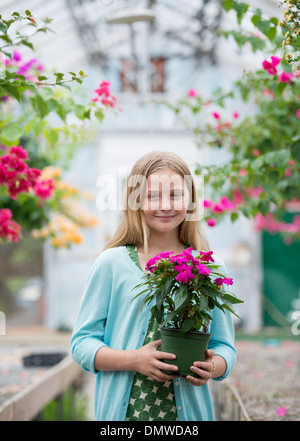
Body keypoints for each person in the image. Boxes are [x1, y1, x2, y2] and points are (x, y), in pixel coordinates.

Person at [71, 151, 236, 421]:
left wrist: (213, 366)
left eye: (174, 195)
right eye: (152, 196)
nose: (165, 205)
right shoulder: (111, 264)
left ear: (191, 200)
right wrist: (134, 360)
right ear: (135, 201)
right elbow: (82, 343)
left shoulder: (210, 267)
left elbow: (225, 347)